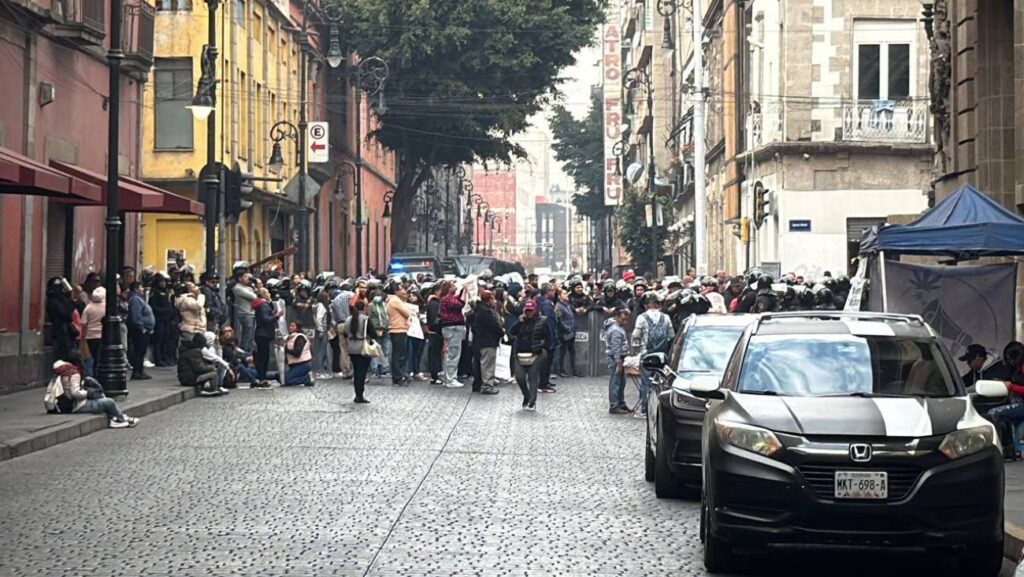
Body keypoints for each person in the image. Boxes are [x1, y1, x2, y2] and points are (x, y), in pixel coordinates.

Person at [54, 351, 139, 428]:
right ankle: (119, 419)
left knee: (99, 395)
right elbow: (75, 393)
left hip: (69, 404)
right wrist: (87, 393)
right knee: (109, 402)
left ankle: (116, 417)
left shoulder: (64, 372)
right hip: (78, 406)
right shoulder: (74, 374)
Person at [632, 293, 675, 418]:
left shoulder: (641, 317)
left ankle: (645, 410)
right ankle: (659, 410)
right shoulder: (666, 317)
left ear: (646, 305)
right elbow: (671, 336)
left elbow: (635, 336)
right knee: (661, 382)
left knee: (646, 382)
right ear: (658, 305)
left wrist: (635, 352)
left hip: (646, 354)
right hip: (662, 355)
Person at [510, 299, 551, 411]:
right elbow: (512, 332)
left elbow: (549, 337)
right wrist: (519, 321)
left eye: (531, 310)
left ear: (535, 310)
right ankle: (526, 395)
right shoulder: (521, 320)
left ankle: (532, 401)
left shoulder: (543, 321)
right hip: (519, 353)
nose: (529, 313)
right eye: (527, 310)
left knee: (533, 378)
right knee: (520, 377)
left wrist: (544, 349)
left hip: (535, 353)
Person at [472, 290, 503, 395]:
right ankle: (487, 386)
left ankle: (478, 384)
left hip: (480, 340)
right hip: (488, 340)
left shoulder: (478, 309)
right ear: (489, 299)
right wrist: (501, 332)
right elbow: (493, 325)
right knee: (488, 364)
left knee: (480, 363)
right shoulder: (485, 311)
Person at [252, 289, 282, 388]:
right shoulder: (264, 305)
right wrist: (276, 316)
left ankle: (262, 378)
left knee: (262, 357)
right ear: (264, 295)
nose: (269, 294)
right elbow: (266, 319)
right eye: (268, 293)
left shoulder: (261, 305)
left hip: (261, 333)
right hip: (263, 334)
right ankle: (263, 379)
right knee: (264, 358)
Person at [440, 282, 468, 388]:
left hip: (450, 327)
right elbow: (459, 304)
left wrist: (461, 292)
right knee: (454, 353)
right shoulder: (447, 298)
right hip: (453, 327)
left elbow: (457, 300)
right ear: (448, 288)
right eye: (453, 286)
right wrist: (464, 293)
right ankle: (451, 379)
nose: (455, 287)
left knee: (450, 354)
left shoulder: (446, 298)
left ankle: (448, 377)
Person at [344, 300, 372, 403]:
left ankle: (357, 394)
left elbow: (345, 332)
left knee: (356, 371)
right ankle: (360, 394)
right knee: (362, 372)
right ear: (364, 308)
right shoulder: (366, 320)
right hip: (363, 347)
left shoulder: (348, 319)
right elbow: (372, 333)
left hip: (352, 347)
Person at [177, 332, 222, 396]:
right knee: (214, 374)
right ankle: (211, 390)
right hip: (190, 379)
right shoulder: (195, 352)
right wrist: (212, 368)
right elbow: (199, 368)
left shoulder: (189, 349)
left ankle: (206, 388)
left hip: (184, 377)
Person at [126, 281, 155, 380]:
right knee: (139, 350)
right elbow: (135, 315)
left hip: (145, 329)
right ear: (136, 289)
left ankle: (140, 370)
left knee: (141, 351)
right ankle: (137, 371)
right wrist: (141, 328)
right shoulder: (135, 300)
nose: (143, 289)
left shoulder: (139, 299)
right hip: (139, 330)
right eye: (141, 287)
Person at [605, 308, 631, 415]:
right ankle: (614, 405)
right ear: (617, 317)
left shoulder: (618, 327)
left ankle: (620, 403)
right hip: (617, 358)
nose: (625, 322)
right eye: (623, 319)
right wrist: (618, 362)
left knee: (621, 382)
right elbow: (615, 347)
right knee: (615, 382)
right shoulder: (616, 330)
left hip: (620, 358)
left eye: (626, 320)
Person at [46, 277, 78, 361]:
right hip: (60, 332)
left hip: (65, 333)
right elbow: (66, 315)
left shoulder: (61, 300)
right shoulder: (54, 302)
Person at [386, 285, 412, 386]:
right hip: (398, 329)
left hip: (397, 329)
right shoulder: (395, 300)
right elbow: (407, 313)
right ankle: (397, 377)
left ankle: (398, 376)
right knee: (399, 355)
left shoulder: (393, 300)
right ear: (396, 291)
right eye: (401, 289)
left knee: (398, 354)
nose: (403, 291)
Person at [535, 283, 559, 393]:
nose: (554, 292)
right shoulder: (547, 304)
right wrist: (551, 336)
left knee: (547, 361)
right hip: (548, 336)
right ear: (547, 292)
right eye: (552, 290)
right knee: (547, 360)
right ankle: (543, 384)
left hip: (545, 335)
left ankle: (545, 380)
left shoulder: (542, 301)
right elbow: (549, 321)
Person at [148, 273, 174, 367]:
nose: (163, 283)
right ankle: (158, 358)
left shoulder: (166, 292)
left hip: (167, 319)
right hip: (159, 319)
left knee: (166, 339)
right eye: (161, 282)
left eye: (164, 281)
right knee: (158, 340)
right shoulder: (154, 292)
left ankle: (165, 357)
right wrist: (165, 311)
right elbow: (153, 306)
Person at [80, 287, 106, 377]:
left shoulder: (88, 307)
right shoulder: (106, 307)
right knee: (101, 357)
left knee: (92, 357)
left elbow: (83, 323)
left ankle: (92, 375)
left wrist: (82, 338)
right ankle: (99, 375)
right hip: (102, 335)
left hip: (90, 336)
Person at [554, 289, 580, 378]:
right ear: (559, 296)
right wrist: (567, 329)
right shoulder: (558, 307)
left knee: (572, 352)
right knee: (562, 352)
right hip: (564, 333)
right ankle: (561, 370)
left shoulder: (568, 306)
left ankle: (574, 370)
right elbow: (559, 321)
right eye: (564, 294)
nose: (566, 295)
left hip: (570, 332)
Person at [282, 321, 314, 386]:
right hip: (295, 365)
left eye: (293, 326)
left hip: (303, 364)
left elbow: (297, 352)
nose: (290, 327)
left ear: (297, 328)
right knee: (282, 379)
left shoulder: (300, 337)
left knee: (286, 380)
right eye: (290, 326)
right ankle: (304, 378)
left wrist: (285, 349)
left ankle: (307, 379)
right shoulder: (290, 338)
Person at [405, 291, 427, 382]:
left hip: (420, 332)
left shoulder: (422, 308)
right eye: (410, 296)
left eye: (413, 296)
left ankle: (416, 371)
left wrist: (420, 316)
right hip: (410, 331)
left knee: (418, 353)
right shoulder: (406, 306)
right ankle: (410, 371)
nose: (411, 297)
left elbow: (425, 319)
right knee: (410, 353)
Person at [233, 273, 258, 353]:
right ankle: (244, 354)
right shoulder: (238, 288)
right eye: (246, 276)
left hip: (251, 313)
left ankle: (250, 354)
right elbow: (254, 297)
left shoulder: (248, 288)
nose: (249, 278)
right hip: (245, 313)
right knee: (246, 337)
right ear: (240, 278)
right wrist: (254, 292)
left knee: (251, 337)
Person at [369, 289, 391, 378]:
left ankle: (384, 368)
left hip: (386, 329)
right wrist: (376, 328)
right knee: (375, 350)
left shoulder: (385, 305)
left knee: (386, 349)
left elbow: (387, 316)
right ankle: (375, 369)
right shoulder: (371, 305)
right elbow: (370, 318)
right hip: (376, 330)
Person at [425, 283, 444, 385]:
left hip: (434, 332)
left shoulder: (433, 303)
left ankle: (435, 374)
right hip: (435, 332)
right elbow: (434, 320)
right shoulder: (434, 304)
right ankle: (434, 375)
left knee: (434, 354)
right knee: (435, 354)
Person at [313, 290, 333, 379]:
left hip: (319, 329)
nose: (329, 298)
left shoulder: (316, 305)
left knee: (320, 350)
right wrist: (321, 330)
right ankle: (320, 371)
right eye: (327, 297)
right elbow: (319, 318)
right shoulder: (321, 306)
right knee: (322, 351)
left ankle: (320, 370)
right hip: (322, 329)